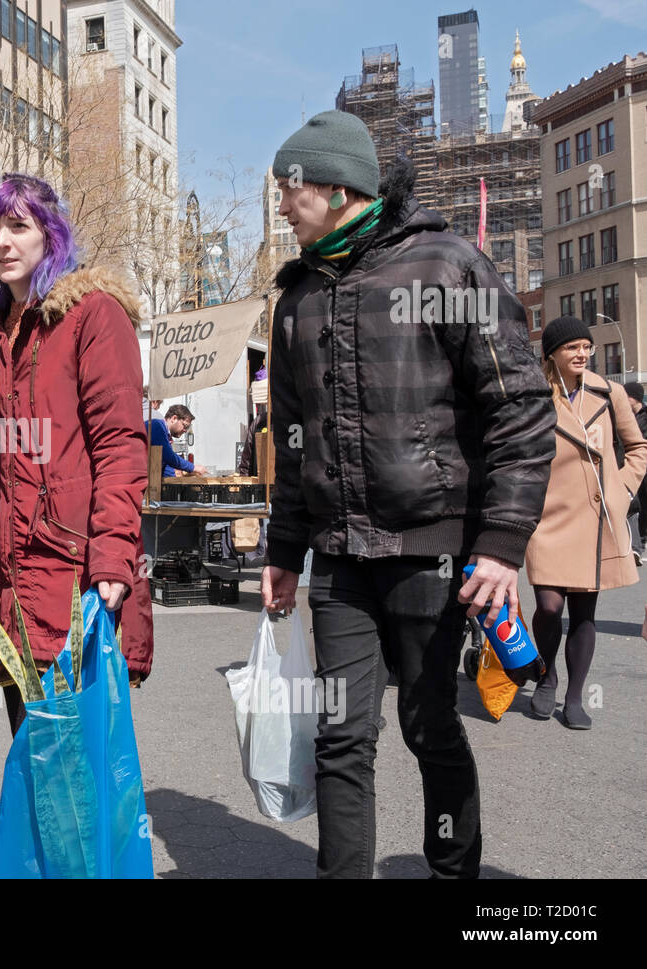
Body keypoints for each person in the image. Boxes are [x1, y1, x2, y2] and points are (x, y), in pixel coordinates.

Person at [261, 110, 557, 878]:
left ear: (338, 186)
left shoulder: (445, 267)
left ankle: (454, 874)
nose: (282, 204)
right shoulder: (296, 301)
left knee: (430, 727)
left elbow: (519, 409)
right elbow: (292, 446)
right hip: (338, 561)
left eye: (289, 189)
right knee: (339, 737)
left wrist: (498, 547)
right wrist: (283, 550)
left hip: (433, 548)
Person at [0, 173, 154, 736]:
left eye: (18, 226)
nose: (2, 242)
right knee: (33, 754)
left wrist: (115, 558)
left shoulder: (94, 314)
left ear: (50, 235)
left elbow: (120, 448)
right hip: (10, 578)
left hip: (74, 574)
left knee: (74, 764)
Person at [524, 319, 646, 728]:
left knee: (583, 612)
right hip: (546, 517)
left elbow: (637, 447)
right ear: (552, 353)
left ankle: (575, 697)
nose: (581, 353)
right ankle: (546, 676)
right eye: (572, 347)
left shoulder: (609, 393)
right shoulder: (534, 395)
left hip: (595, 516)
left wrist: (621, 489)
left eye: (586, 347)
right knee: (547, 605)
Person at [621, 381, 647, 561]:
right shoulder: (628, 417)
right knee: (636, 505)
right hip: (635, 469)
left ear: (632, 398)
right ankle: (639, 543)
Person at [147, 404, 209, 477]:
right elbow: (169, 456)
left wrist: (175, 474)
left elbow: (163, 463)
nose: (185, 430)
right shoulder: (157, 426)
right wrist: (193, 467)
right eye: (185, 426)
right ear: (174, 419)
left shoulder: (164, 433)